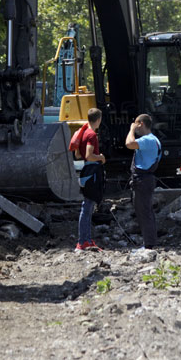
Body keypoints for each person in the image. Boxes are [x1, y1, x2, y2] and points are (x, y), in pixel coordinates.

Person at [126, 113, 162, 250]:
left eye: (136, 123)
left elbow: (129, 144)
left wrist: (131, 130)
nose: (135, 126)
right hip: (145, 180)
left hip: (143, 180)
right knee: (145, 211)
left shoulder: (148, 140)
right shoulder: (154, 140)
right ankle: (149, 243)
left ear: (141, 124)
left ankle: (149, 246)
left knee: (144, 212)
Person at [76, 108, 106, 252]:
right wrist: (100, 157)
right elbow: (89, 155)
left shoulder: (82, 132)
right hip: (92, 171)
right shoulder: (92, 134)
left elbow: (77, 154)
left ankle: (86, 240)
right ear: (98, 119)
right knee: (87, 206)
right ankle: (83, 242)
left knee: (87, 206)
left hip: (85, 170)